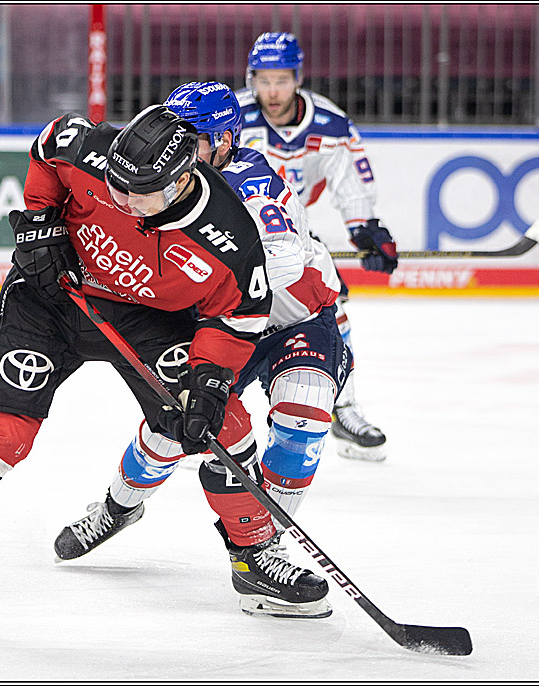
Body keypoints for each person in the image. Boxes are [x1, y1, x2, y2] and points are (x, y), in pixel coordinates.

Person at [0, 105, 330, 626]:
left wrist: (211, 382)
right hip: (52, 298)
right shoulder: (94, 151)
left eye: (135, 193)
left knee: (224, 426)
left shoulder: (229, 236)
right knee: (3, 432)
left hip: (145, 319)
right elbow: (47, 145)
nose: (118, 198)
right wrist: (40, 220)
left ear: (179, 181)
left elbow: (237, 316)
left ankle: (254, 558)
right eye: (114, 184)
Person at [53, 82, 350, 620]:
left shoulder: (248, 181)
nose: (176, 148)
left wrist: (211, 268)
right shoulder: (158, 182)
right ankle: (118, 507)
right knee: (177, 427)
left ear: (223, 138)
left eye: (190, 139)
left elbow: (278, 266)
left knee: (302, 417)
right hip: (221, 324)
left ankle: (261, 553)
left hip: (291, 318)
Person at [236, 32, 398, 462]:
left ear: (297, 78)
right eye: (264, 80)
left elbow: (351, 180)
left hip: (289, 236)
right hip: (226, 238)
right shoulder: (232, 116)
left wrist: (365, 231)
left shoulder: (329, 123)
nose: (272, 91)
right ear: (252, 78)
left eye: (281, 79)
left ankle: (341, 406)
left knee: (330, 309)